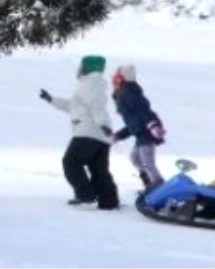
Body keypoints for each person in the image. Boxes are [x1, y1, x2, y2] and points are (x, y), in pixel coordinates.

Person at [39, 55, 120, 210]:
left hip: (88, 132)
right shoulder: (93, 84)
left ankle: (86, 195)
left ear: (86, 68)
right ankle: (109, 201)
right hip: (100, 136)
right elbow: (73, 107)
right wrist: (51, 99)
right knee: (99, 170)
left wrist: (102, 123)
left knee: (71, 162)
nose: (78, 69)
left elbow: (96, 106)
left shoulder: (90, 84)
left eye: (81, 66)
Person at [111, 64, 166, 191]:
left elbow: (144, 111)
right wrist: (119, 135)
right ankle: (149, 184)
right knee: (135, 158)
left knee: (147, 162)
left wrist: (153, 125)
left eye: (117, 76)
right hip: (141, 131)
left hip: (147, 131)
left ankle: (159, 186)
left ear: (122, 78)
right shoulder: (124, 92)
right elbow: (134, 123)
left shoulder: (130, 93)